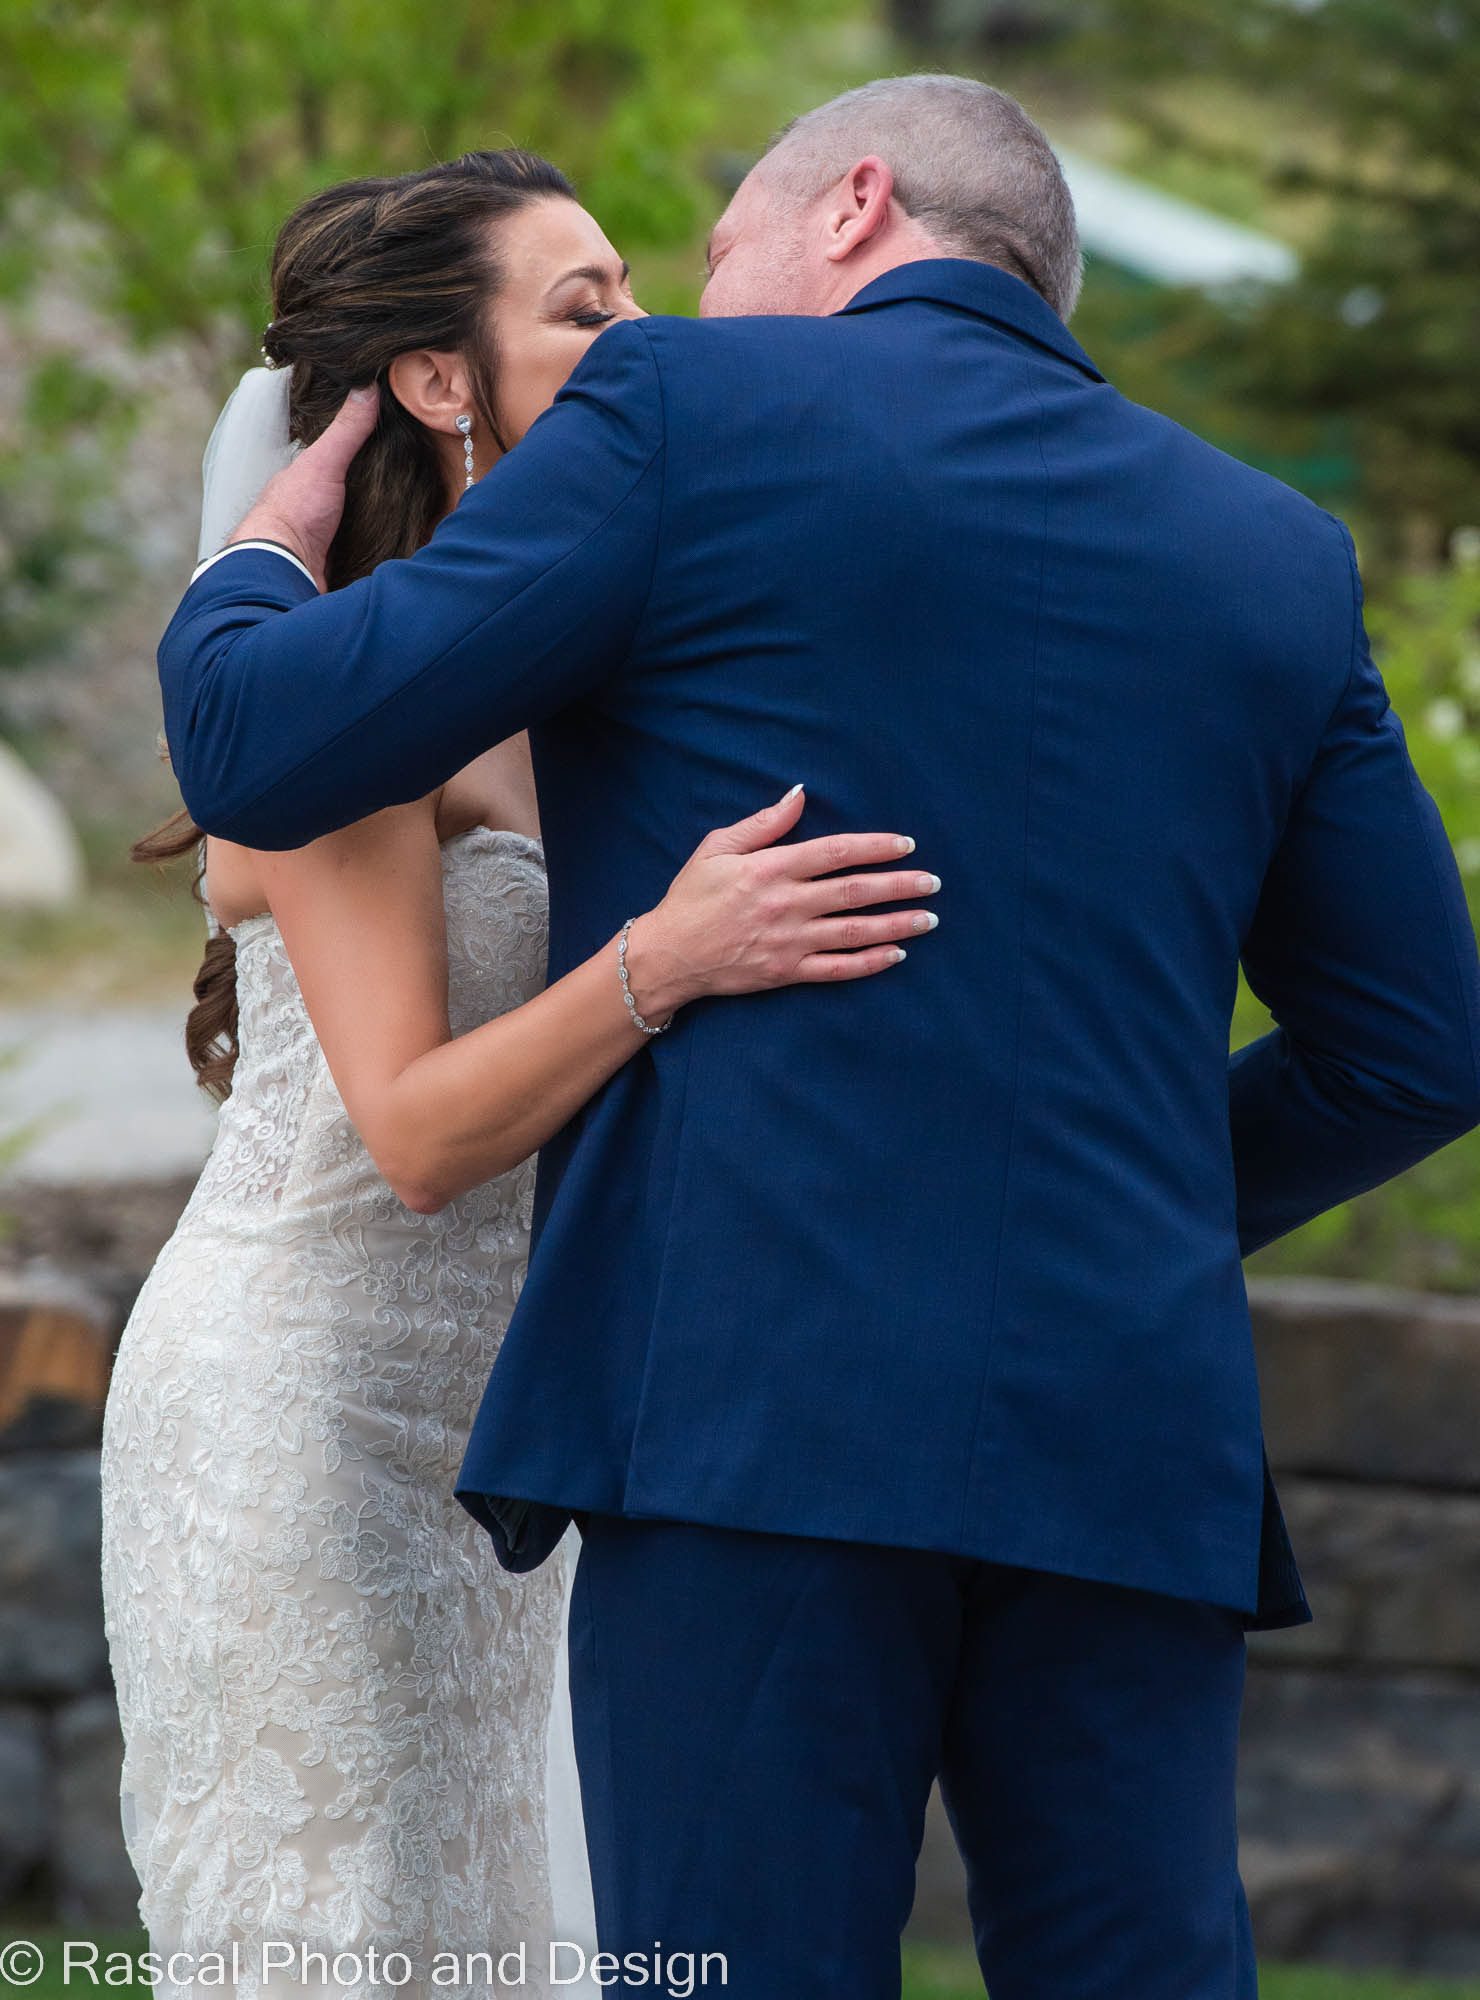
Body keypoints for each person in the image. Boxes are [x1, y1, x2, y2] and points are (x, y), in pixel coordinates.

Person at [154, 74, 1480, 2000]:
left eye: (710, 255)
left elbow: (257, 741)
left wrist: (264, 560)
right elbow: (1421, 1050)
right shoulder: (1272, 548)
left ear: (853, 206)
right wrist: (1145, 1222)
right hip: (1125, 1431)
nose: (686, 306)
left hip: (748, 1411)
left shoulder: (686, 410)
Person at [102, 147, 937, 2000]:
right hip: (310, 1422)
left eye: (636, 290)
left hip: (507, 1427)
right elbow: (411, 1131)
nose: (640, 336)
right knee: (349, 1939)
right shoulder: (346, 693)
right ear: (438, 381)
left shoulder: (573, 670)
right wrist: (668, 958)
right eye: (585, 307)